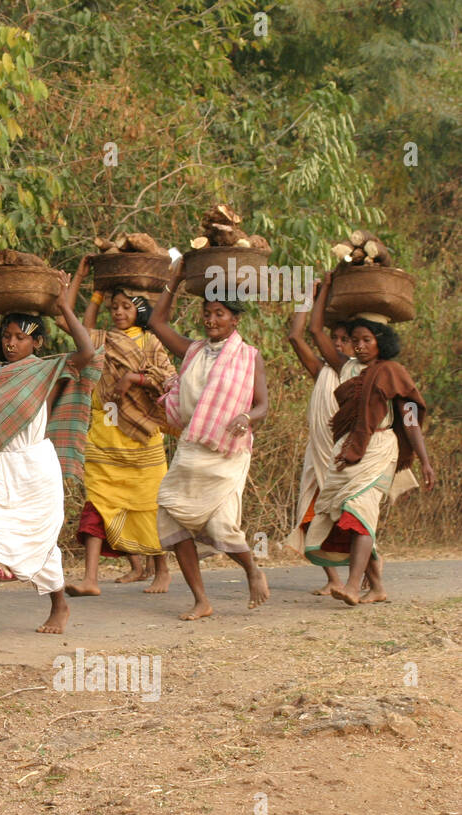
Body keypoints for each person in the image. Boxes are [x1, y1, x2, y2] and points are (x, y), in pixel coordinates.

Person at [0, 292, 97, 638]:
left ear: (37, 342)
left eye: (21, 337)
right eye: (7, 335)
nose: (11, 343)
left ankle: (59, 606)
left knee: (40, 542)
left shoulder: (46, 371)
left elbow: (88, 354)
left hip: (34, 467)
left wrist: (64, 305)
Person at [146, 262, 270, 620]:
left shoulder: (249, 357)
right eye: (207, 313)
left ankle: (251, 570)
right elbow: (156, 323)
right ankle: (201, 599)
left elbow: (262, 405)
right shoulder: (194, 350)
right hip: (191, 450)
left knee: (220, 525)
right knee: (170, 519)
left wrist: (246, 417)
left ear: (235, 321)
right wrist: (176, 277)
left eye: (219, 314)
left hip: (227, 453)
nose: (211, 320)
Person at [305, 287, 435, 605]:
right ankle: (376, 587)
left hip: (379, 447)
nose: (361, 346)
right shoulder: (346, 368)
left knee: (359, 512)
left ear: (381, 341)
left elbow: (409, 419)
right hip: (348, 450)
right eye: (356, 340)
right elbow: (311, 329)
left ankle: (352, 586)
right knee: (343, 514)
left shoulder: (392, 371)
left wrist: (425, 460)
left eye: (367, 340)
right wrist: (317, 289)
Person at [60, 255, 177, 597]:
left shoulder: (151, 342)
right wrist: (87, 285)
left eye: (126, 306)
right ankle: (91, 579)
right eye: (114, 307)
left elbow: (169, 379)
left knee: (149, 507)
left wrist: (135, 377)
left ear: (139, 310)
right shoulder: (104, 340)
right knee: (96, 503)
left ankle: (163, 572)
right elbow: (72, 325)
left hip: (142, 439)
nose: (119, 312)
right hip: (104, 435)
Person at [282, 276, 356, 595]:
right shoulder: (323, 371)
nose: (336, 344)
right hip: (317, 456)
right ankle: (333, 581)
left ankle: (367, 577)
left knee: (351, 521)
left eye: (343, 340)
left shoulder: (352, 374)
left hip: (342, 460)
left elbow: (314, 331)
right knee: (313, 518)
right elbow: (295, 336)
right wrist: (304, 295)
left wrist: (323, 291)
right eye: (335, 339)